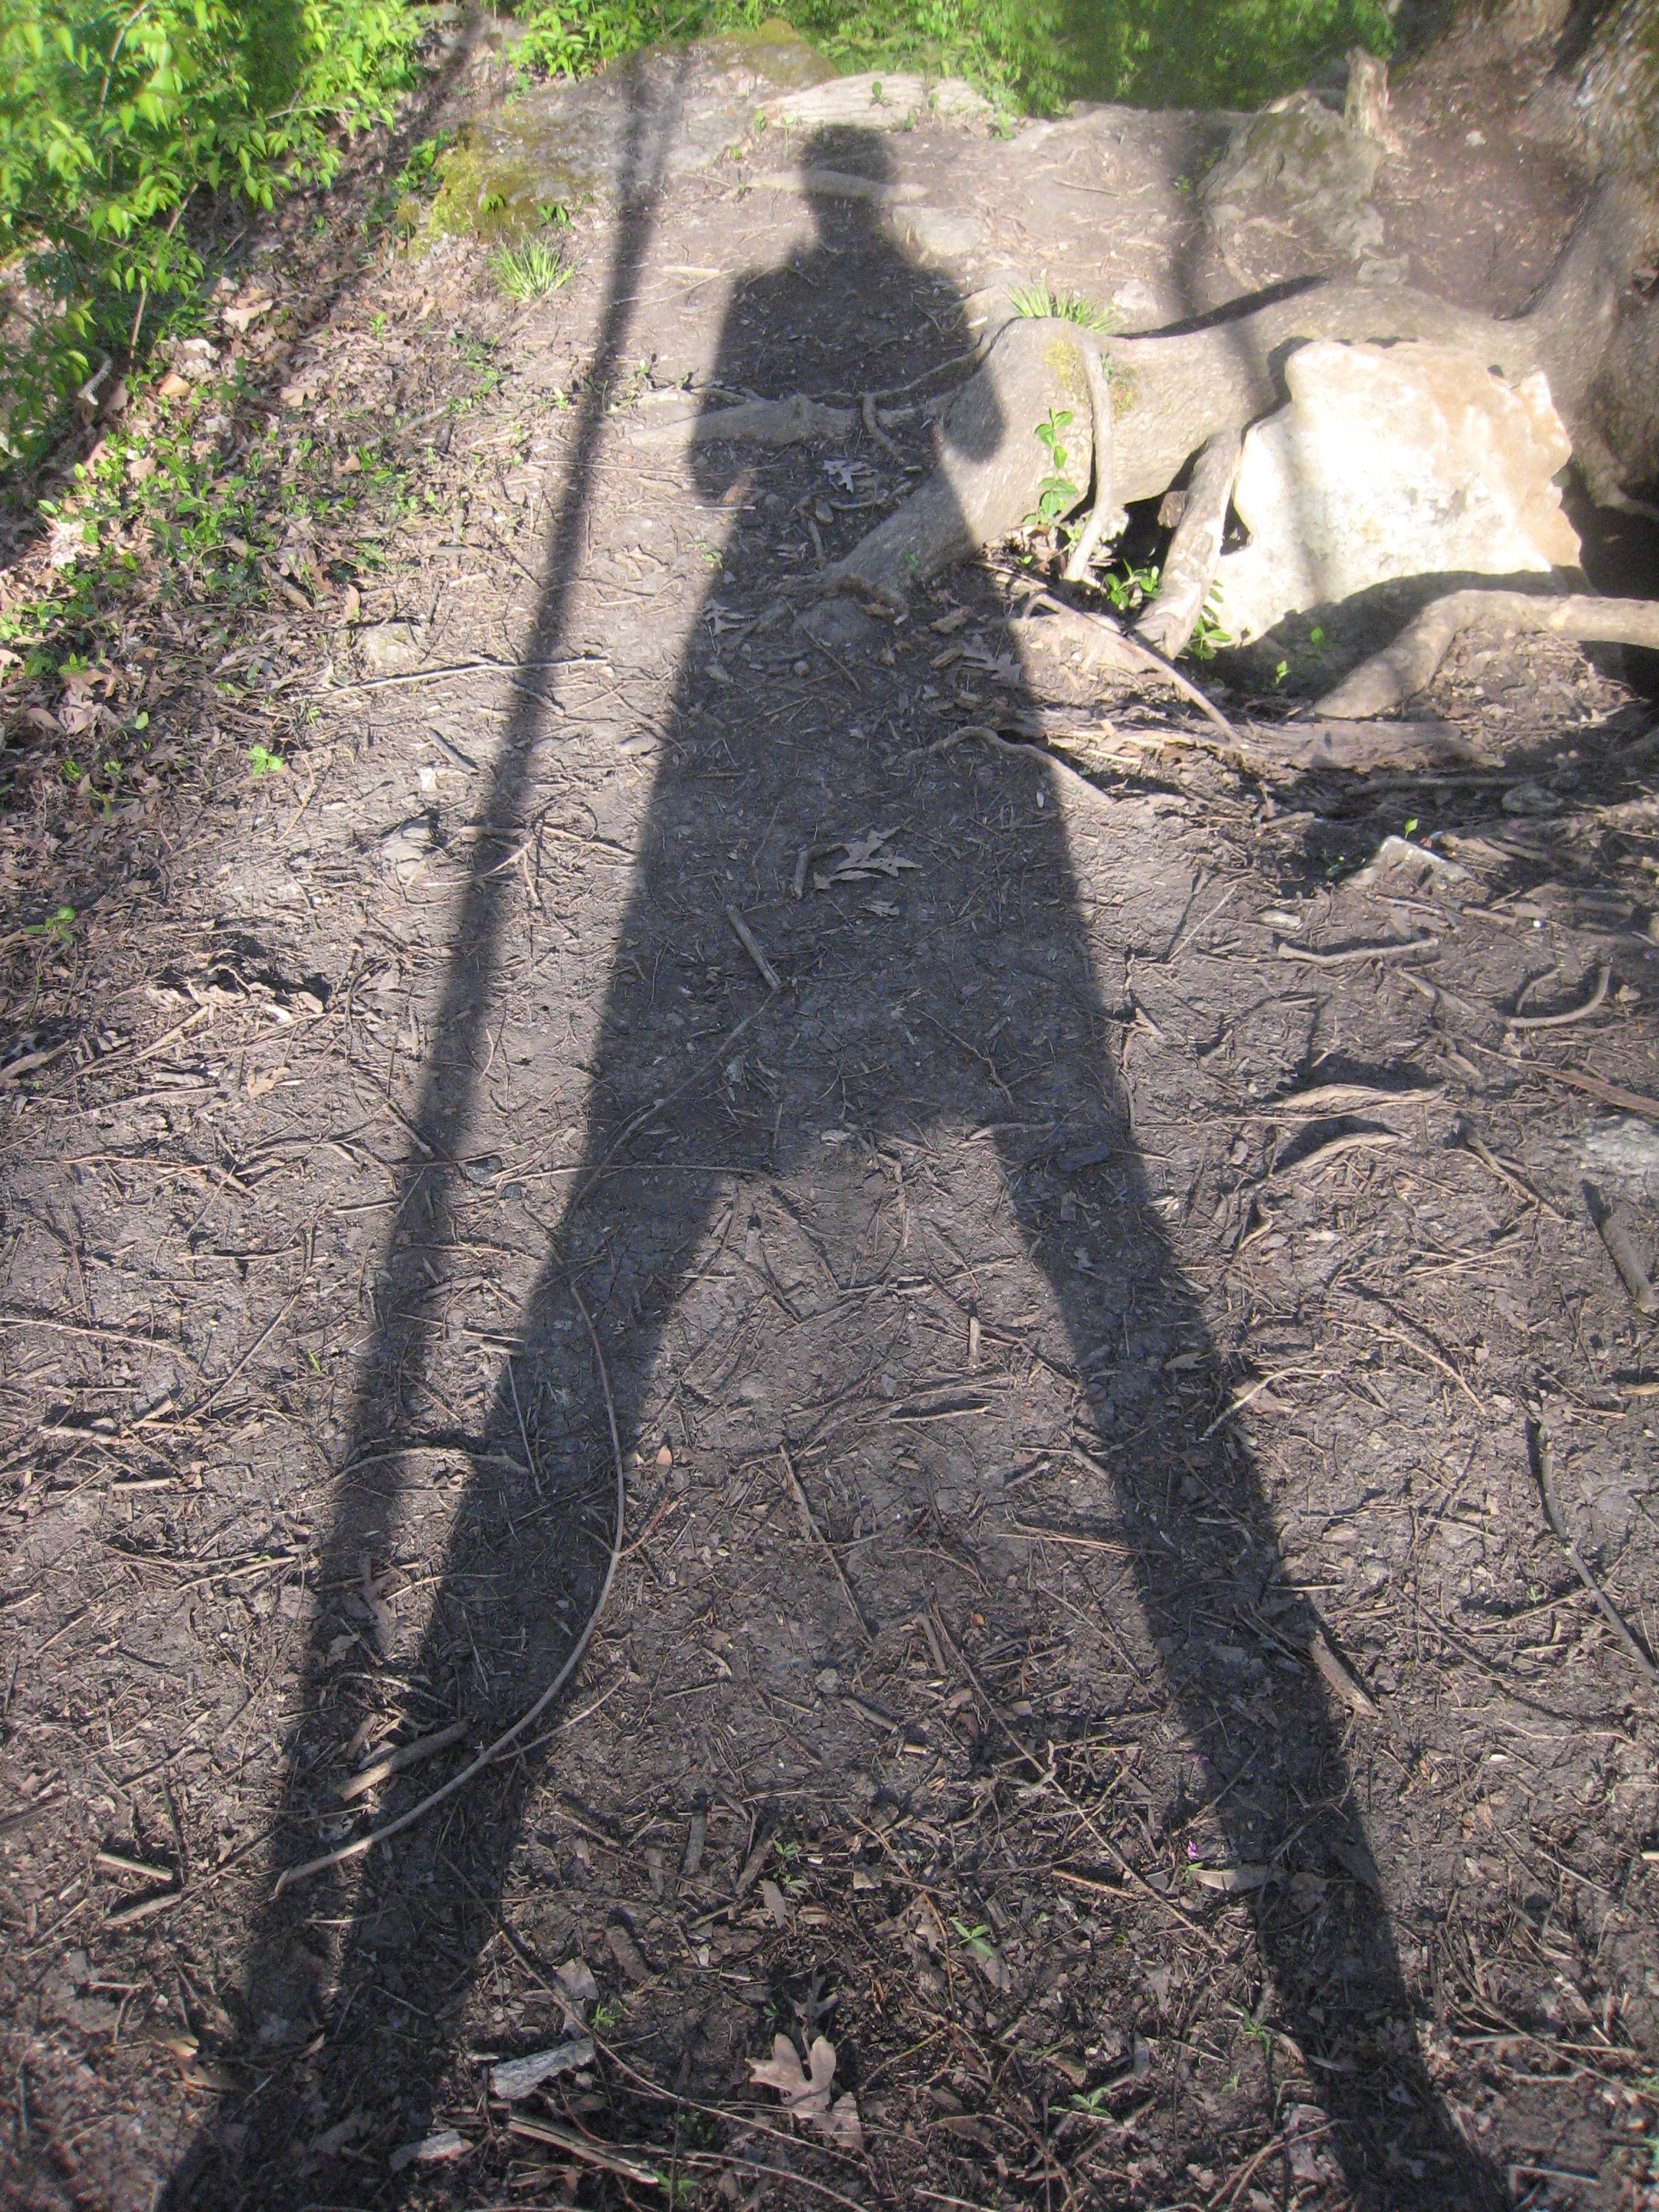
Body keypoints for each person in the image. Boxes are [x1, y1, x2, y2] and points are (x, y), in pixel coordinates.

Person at [171, 119, 1495, 2210]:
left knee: (650, 1195)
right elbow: (913, 438)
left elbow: (717, 470)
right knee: (1074, 1215)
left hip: (757, 666)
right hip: (864, 694)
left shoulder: (779, 295)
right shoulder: (898, 295)